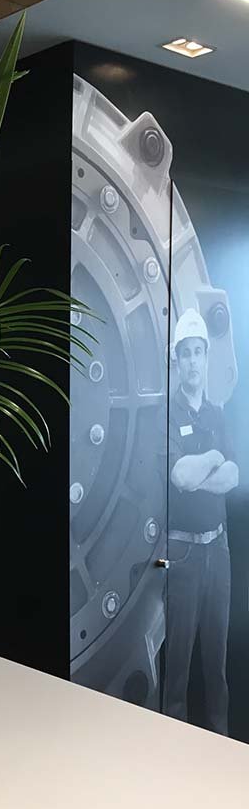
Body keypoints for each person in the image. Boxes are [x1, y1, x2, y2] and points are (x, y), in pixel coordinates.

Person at [164, 308, 239, 735]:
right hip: (183, 553)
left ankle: (223, 756)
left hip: (219, 552)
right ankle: (175, 761)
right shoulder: (170, 414)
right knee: (177, 669)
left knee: (217, 666)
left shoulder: (216, 414)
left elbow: (234, 477)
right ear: (177, 361)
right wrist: (212, 459)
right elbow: (180, 476)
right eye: (186, 354)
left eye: (198, 352)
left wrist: (205, 471)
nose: (193, 361)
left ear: (206, 357)